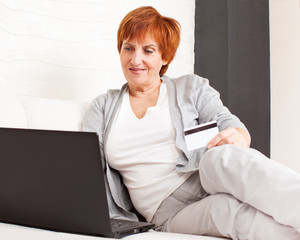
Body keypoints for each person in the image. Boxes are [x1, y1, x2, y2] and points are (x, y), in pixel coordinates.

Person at [81, 6, 300, 240]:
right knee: (227, 213)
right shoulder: (103, 107)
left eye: (148, 50)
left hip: (203, 175)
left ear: (164, 56)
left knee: (222, 158)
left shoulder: (190, 88)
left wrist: (238, 134)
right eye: (129, 48)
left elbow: (227, 123)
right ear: (120, 51)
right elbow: (85, 166)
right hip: (170, 213)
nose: (136, 59)